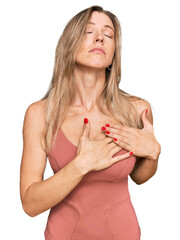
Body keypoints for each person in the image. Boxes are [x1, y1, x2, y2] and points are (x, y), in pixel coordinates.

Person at [20, 5, 161, 240]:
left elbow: (139, 177)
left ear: (113, 54)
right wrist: (81, 164)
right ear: (69, 44)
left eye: (108, 35)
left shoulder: (137, 109)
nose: (99, 38)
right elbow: (30, 204)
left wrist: (153, 154)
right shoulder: (40, 114)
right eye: (89, 32)